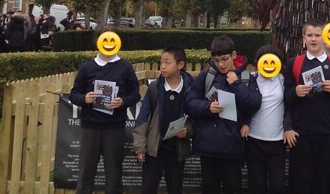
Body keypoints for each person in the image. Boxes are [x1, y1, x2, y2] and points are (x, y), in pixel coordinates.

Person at [185, 35, 260, 194]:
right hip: (207, 146)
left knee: (233, 187)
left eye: (224, 59)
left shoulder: (245, 77)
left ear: (233, 55)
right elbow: (190, 103)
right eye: (216, 60)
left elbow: (254, 104)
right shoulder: (207, 76)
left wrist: (236, 84)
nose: (220, 64)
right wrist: (207, 107)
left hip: (233, 147)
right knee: (209, 188)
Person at [68, 30, 140, 194]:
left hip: (114, 128)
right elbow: (74, 94)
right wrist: (85, 98)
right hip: (90, 127)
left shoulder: (125, 66)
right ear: (98, 42)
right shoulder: (87, 67)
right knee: (86, 170)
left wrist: (122, 102)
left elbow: (135, 94)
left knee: (114, 171)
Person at [283, 20, 330, 194]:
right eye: (309, 35)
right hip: (300, 134)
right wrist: (295, 91)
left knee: (324, 182)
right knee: (300, 182)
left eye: (317, 35)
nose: (313, 39)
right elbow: (285, 99)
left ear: (324, 38)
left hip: (327, 133)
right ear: (303, 38)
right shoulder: (294, 63)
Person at [133, 46, 193, 194]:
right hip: (155, 150)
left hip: (177, 151)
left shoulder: (191, 88)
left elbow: (196, 117)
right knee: (148, 188)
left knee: (175, 188)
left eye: (167, 62)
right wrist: (140, 146)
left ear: (180, 65)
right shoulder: (154, 88)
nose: (163, 66)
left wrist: (188, 130)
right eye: (161, 62)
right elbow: (143, 119)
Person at [244, 44, 294, 194]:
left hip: (277, 141)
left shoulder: (284, 80)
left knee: (277, 185)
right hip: (253, 140)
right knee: (256, 185)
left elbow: (290, 106)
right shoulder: (250, 80)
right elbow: (244, 104)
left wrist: (288, 127)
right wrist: (245, 123)